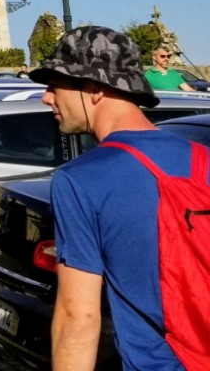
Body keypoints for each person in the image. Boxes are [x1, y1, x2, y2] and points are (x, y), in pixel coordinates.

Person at [33, 25, 208, 369]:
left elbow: (77, 316)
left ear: (95, 88)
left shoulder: (80, 179)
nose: (46, 97)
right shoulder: (203, 157)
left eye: (55, 86)